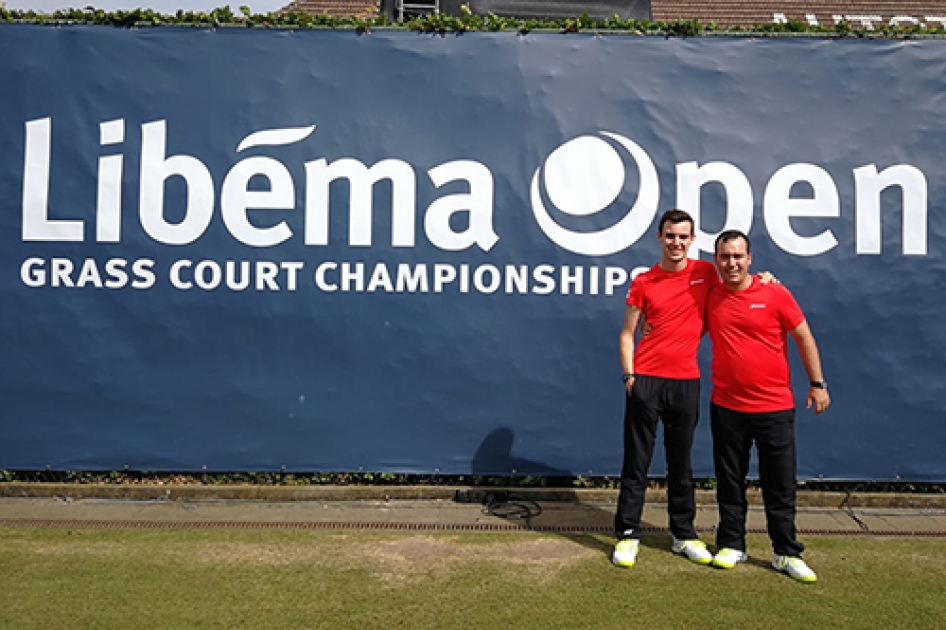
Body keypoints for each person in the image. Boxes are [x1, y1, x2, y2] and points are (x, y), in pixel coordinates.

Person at [705, 229, 830, 583]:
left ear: (750, 259)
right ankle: (732, 544)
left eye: (737, 256)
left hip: (774, 407)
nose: (731, 263)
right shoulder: (711, 295)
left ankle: (785, 552)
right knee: (730, 481)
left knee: (780, 484)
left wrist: (817, 383)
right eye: (725, 257)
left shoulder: (774, 292)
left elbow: (804, 336)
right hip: (727, 406)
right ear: (717, 260)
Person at [612, 209, 720, 568]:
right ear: (659, 237)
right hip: (646, 380)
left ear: (692, 240)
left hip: (686, 382)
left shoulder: (706, 274)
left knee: (681, 462)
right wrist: (630, 376)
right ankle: (627, 533)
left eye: (683, 236)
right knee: (637, 460)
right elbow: (628, 332)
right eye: (670, 235)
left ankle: (684, 534)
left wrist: (766, 279)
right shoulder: (644, 281)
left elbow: (732, 298)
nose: (677, 242)